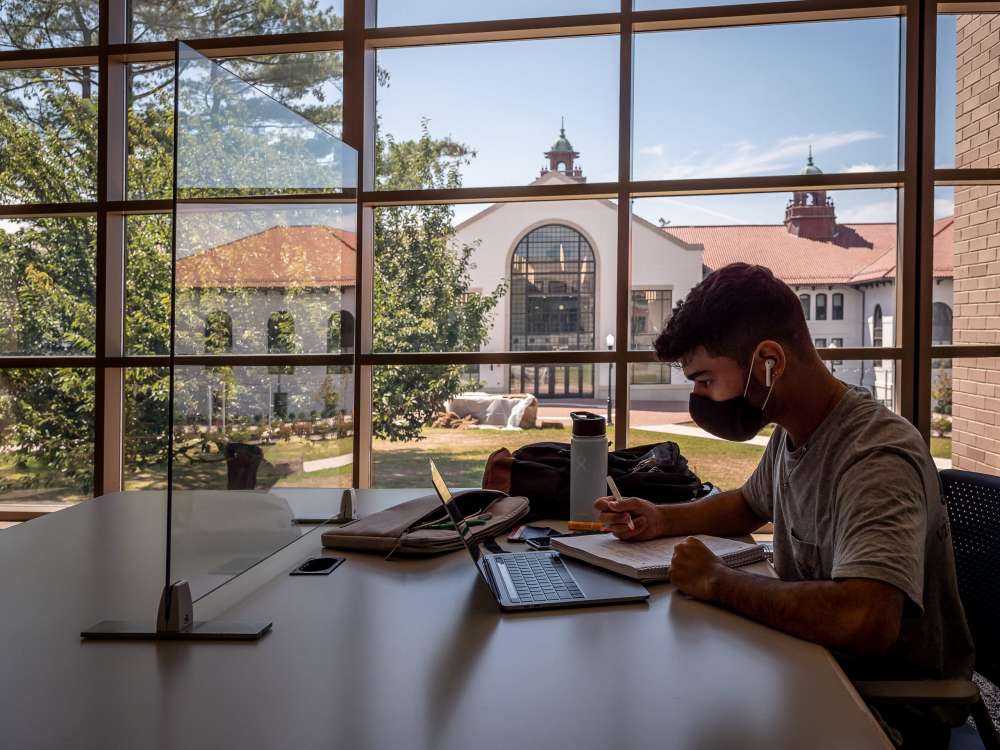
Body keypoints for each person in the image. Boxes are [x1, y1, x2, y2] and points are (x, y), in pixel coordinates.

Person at [595, 263, 974, 749]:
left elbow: (866, 617)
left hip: (886, 709)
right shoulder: (795, 432)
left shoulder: (875, 456)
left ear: (768, 361)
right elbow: (746, 507)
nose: (700, 397)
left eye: (706, 380)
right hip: (811, 664)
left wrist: (718, 581)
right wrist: (661, 518)